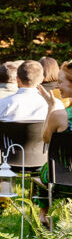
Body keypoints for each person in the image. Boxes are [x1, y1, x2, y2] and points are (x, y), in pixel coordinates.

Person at [0, 60, 54, 178]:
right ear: (41, 79)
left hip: (6, 160)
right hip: (41, 160)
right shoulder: (49, 106)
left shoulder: (1, 105)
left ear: (17, 79)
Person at [36, 61, 72, 225]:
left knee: (45, 169)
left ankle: (43, 214)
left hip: (63, 181)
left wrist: (51, 106)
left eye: (60, 81)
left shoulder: (60, 115)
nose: (57, 86)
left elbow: (45, 138)